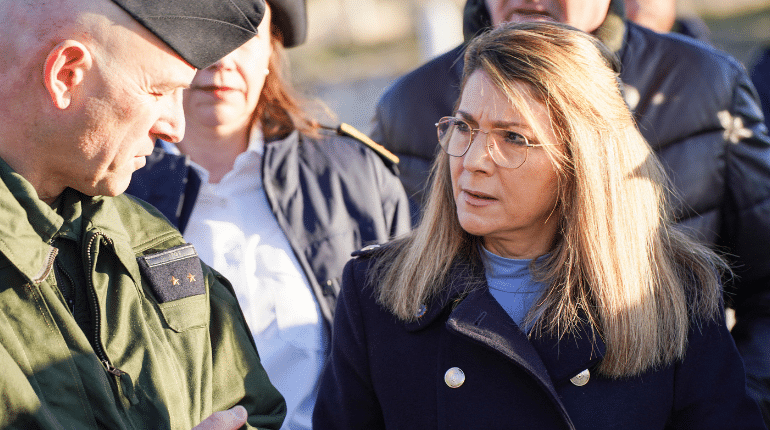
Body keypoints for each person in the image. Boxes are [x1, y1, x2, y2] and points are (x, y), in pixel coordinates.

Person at [314, 22, 767, 429]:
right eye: (465, 128)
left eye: (513, 138)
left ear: (582, 162)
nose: (472, 162)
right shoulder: (377, 291)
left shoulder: (674, 292)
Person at [0, 0, 287, 429]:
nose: (175, 127)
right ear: (66, 76)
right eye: (159, 91)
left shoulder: (155, 245)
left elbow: (252, 408)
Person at [126, 0, 411, 427]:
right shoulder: (109, 187)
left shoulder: (356, 178)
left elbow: (409, 354)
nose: (221, 60)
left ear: (270, 55)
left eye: (242, 37)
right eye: (204, 31)